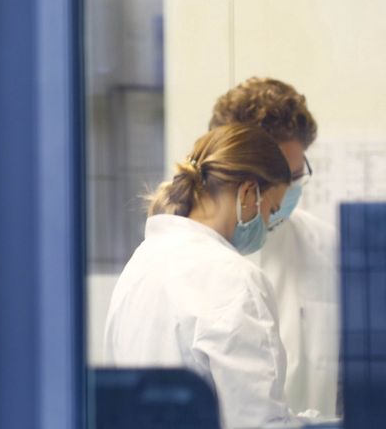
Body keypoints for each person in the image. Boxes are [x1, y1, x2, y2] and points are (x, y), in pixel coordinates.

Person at [103, 124, 317, 428]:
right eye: (271, 211)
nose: (268, 226)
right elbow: (257, 422)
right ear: (248, 193)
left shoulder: (139, 265)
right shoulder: (234, 278)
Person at [209, 78, 340, 417]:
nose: (284, 195)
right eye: (276, 180)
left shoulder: (327, 247)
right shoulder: (196, 262)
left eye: (295, 177)